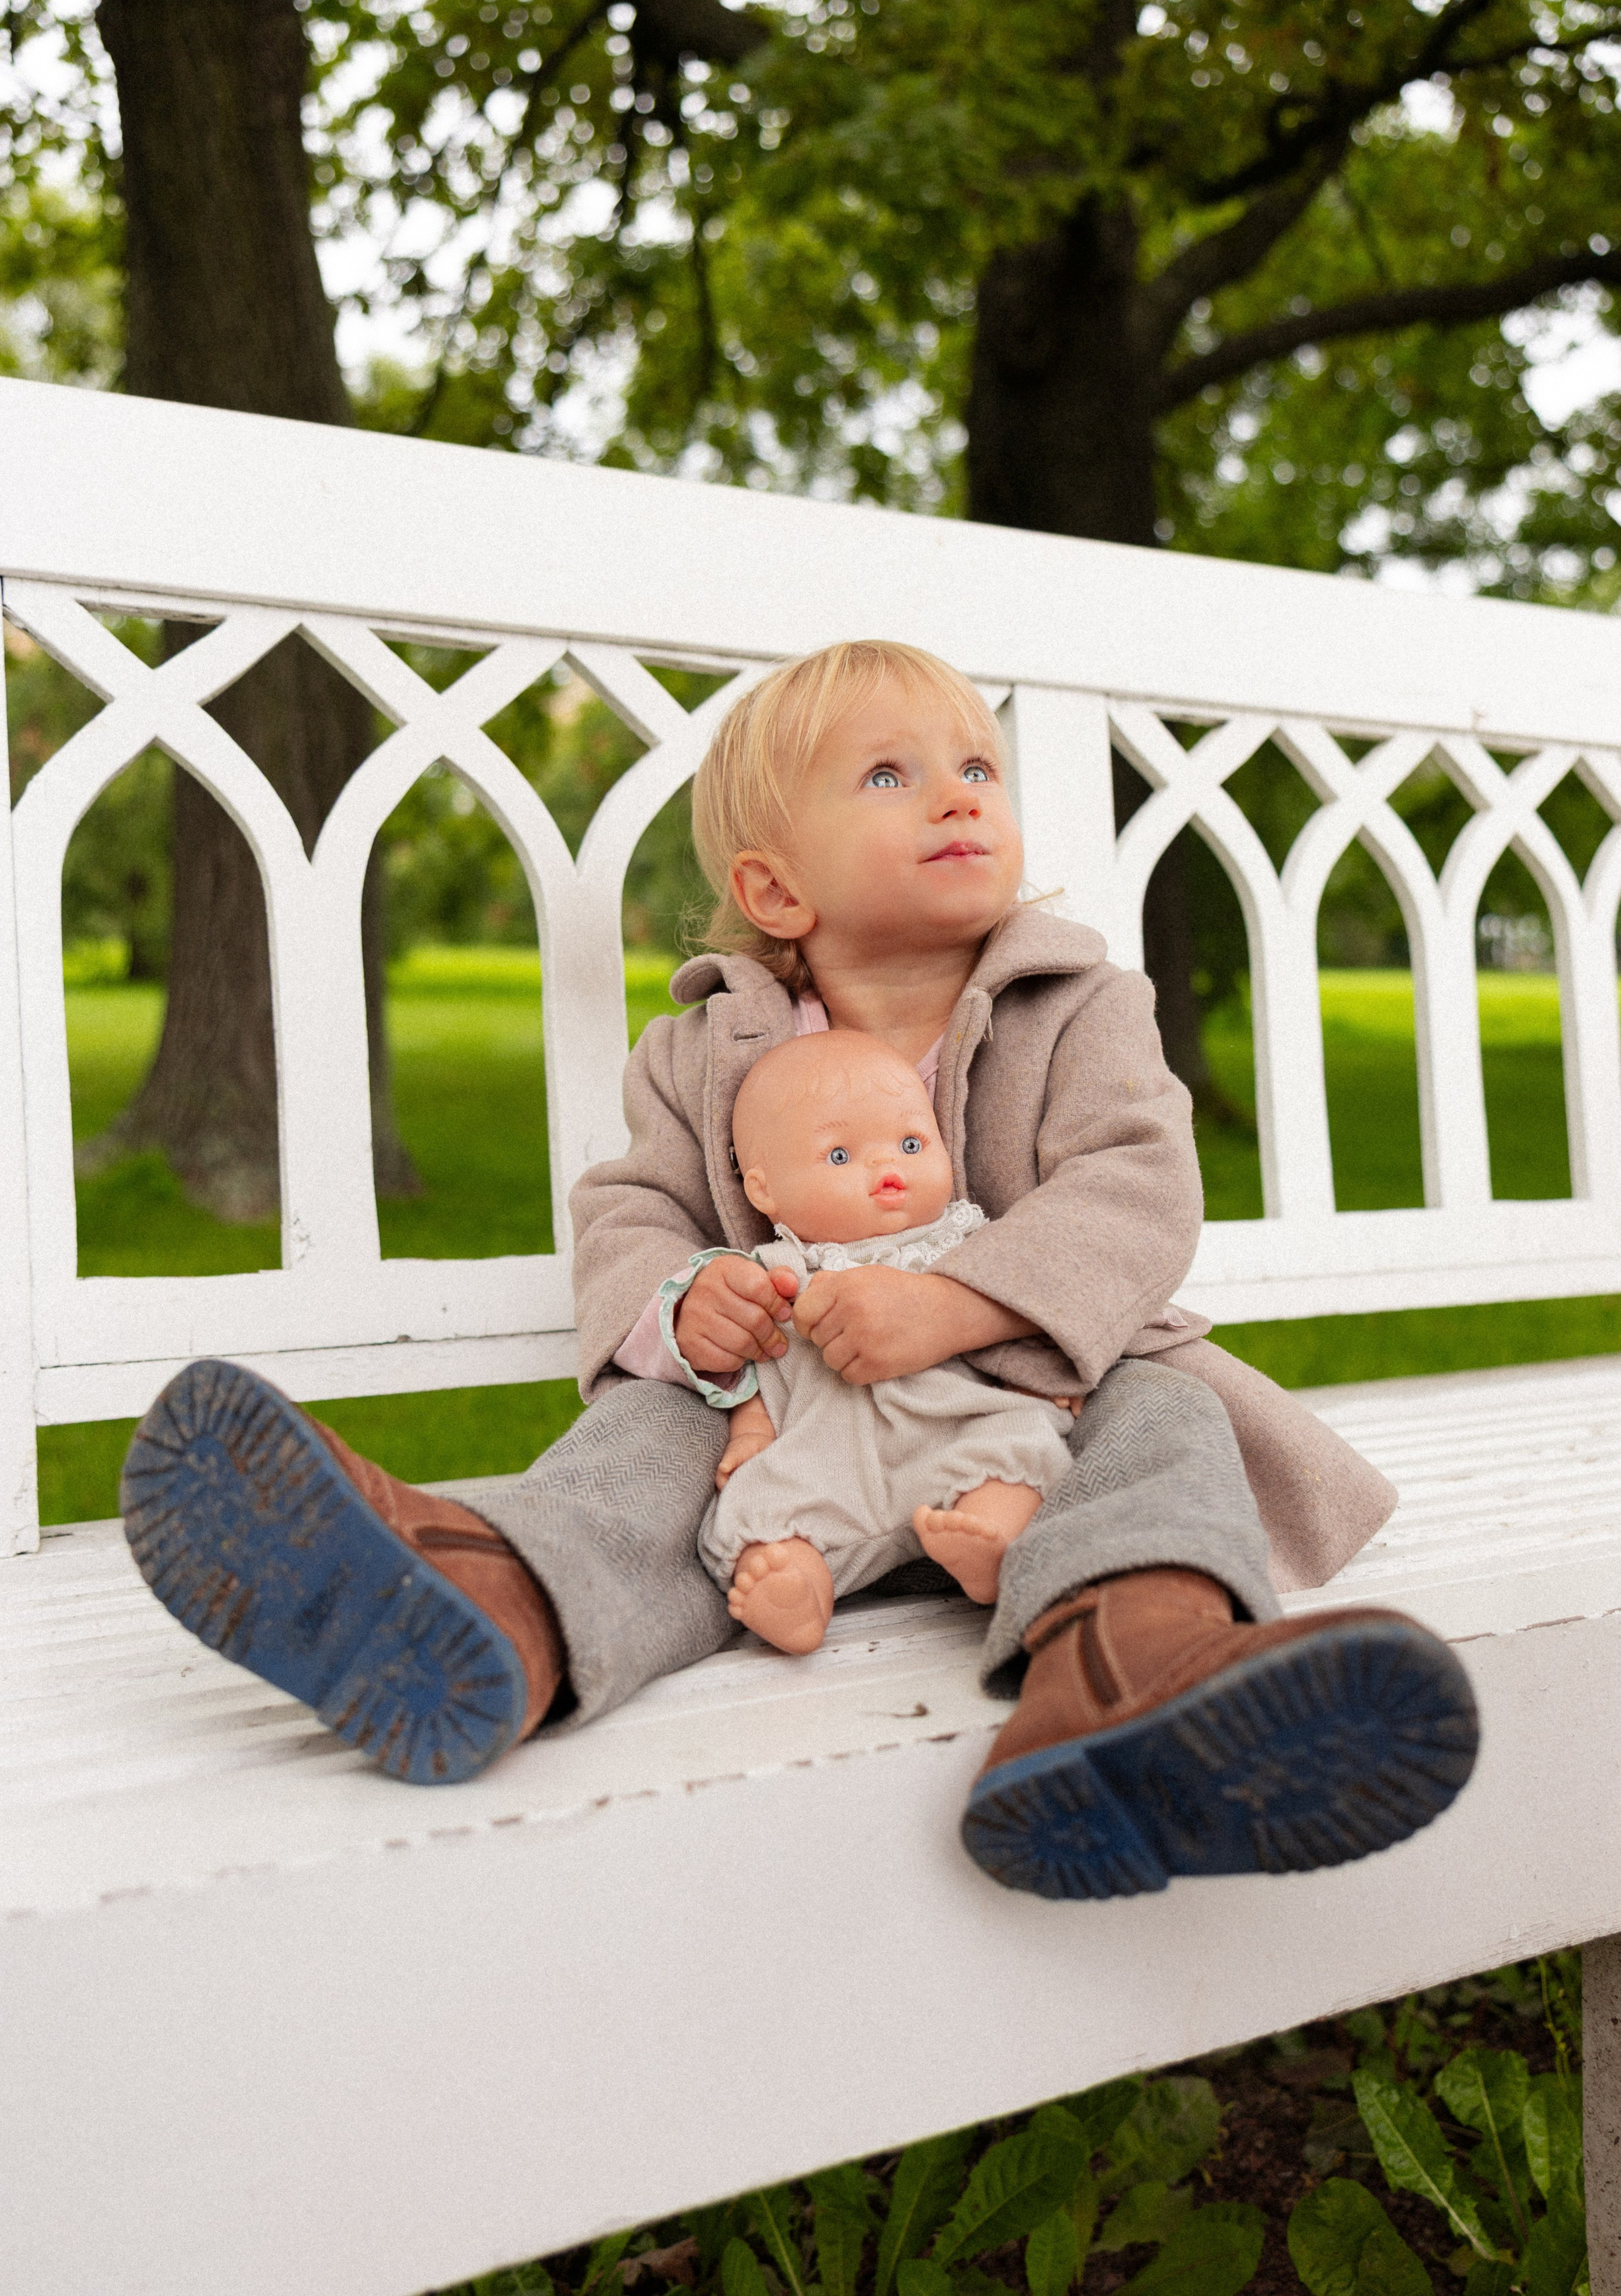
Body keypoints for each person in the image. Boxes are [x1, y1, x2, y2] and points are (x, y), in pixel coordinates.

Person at [120, 639, 1479, 1900]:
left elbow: (1136, 1187)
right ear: (776, 890)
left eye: (977, 766)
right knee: (648, 1441)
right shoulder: (702, 1050)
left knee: (1166, 1418)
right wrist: (682, 1306)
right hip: (786, 1445)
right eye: (890, 774)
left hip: (1037, 1417)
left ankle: (1136, 1670)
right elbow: (635, 1207)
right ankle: (492, 1607)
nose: (956, 793)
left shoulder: (1079, 1003)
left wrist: (956, 1303)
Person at [686, 1027, 1076, 1653]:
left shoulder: (963, 1244)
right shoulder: (773, 1274)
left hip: (952, 1429)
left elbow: (1011, 1314)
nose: (887, 1166)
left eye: (911, 1143)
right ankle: (796, 1588)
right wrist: (751, 1435)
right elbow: (759, 1361)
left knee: (1016, 1446)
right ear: (764, 1190)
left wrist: (1043, 1373)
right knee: (758, 1504)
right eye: (840, 1156)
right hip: (825, 1456)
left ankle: (992, 1540)